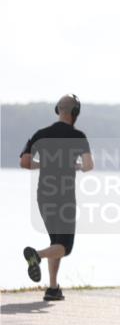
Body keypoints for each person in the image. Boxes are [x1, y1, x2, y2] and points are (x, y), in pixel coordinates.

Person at [19, 94, 94, 301]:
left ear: (57, 110)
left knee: (56, 242)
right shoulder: (79, 136)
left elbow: (24, 162)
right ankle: (37, 255)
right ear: (75, 113)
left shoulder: (40, 134)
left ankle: (53, 288)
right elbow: (88, 166)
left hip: (43, 196)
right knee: (65, 247)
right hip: (65, 198)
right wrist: (76, 165)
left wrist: (43, 164)